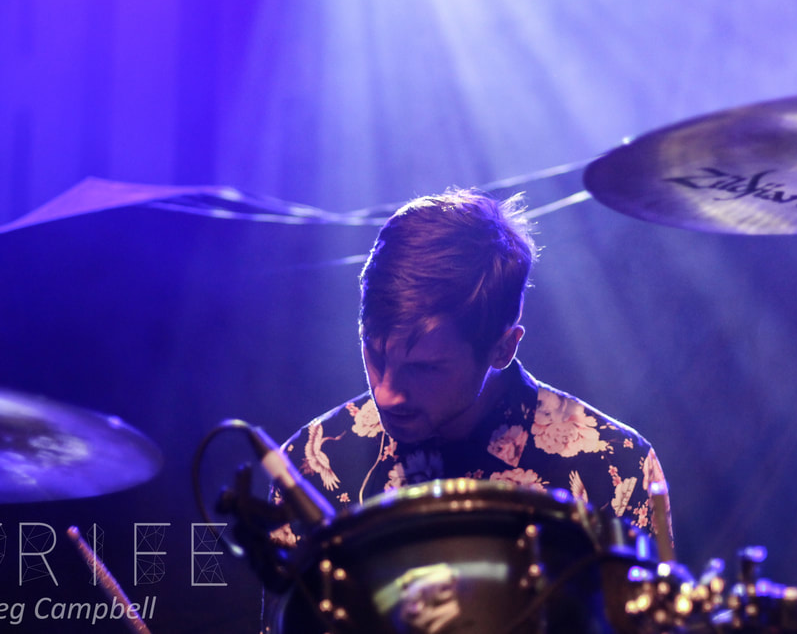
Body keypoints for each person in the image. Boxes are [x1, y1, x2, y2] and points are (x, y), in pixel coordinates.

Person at [270, 188, 670, 547]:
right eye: (375, 355)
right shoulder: (310, 462)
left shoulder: (616, 466)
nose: (386, 394)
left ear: (503, 349)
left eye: (424, 369)